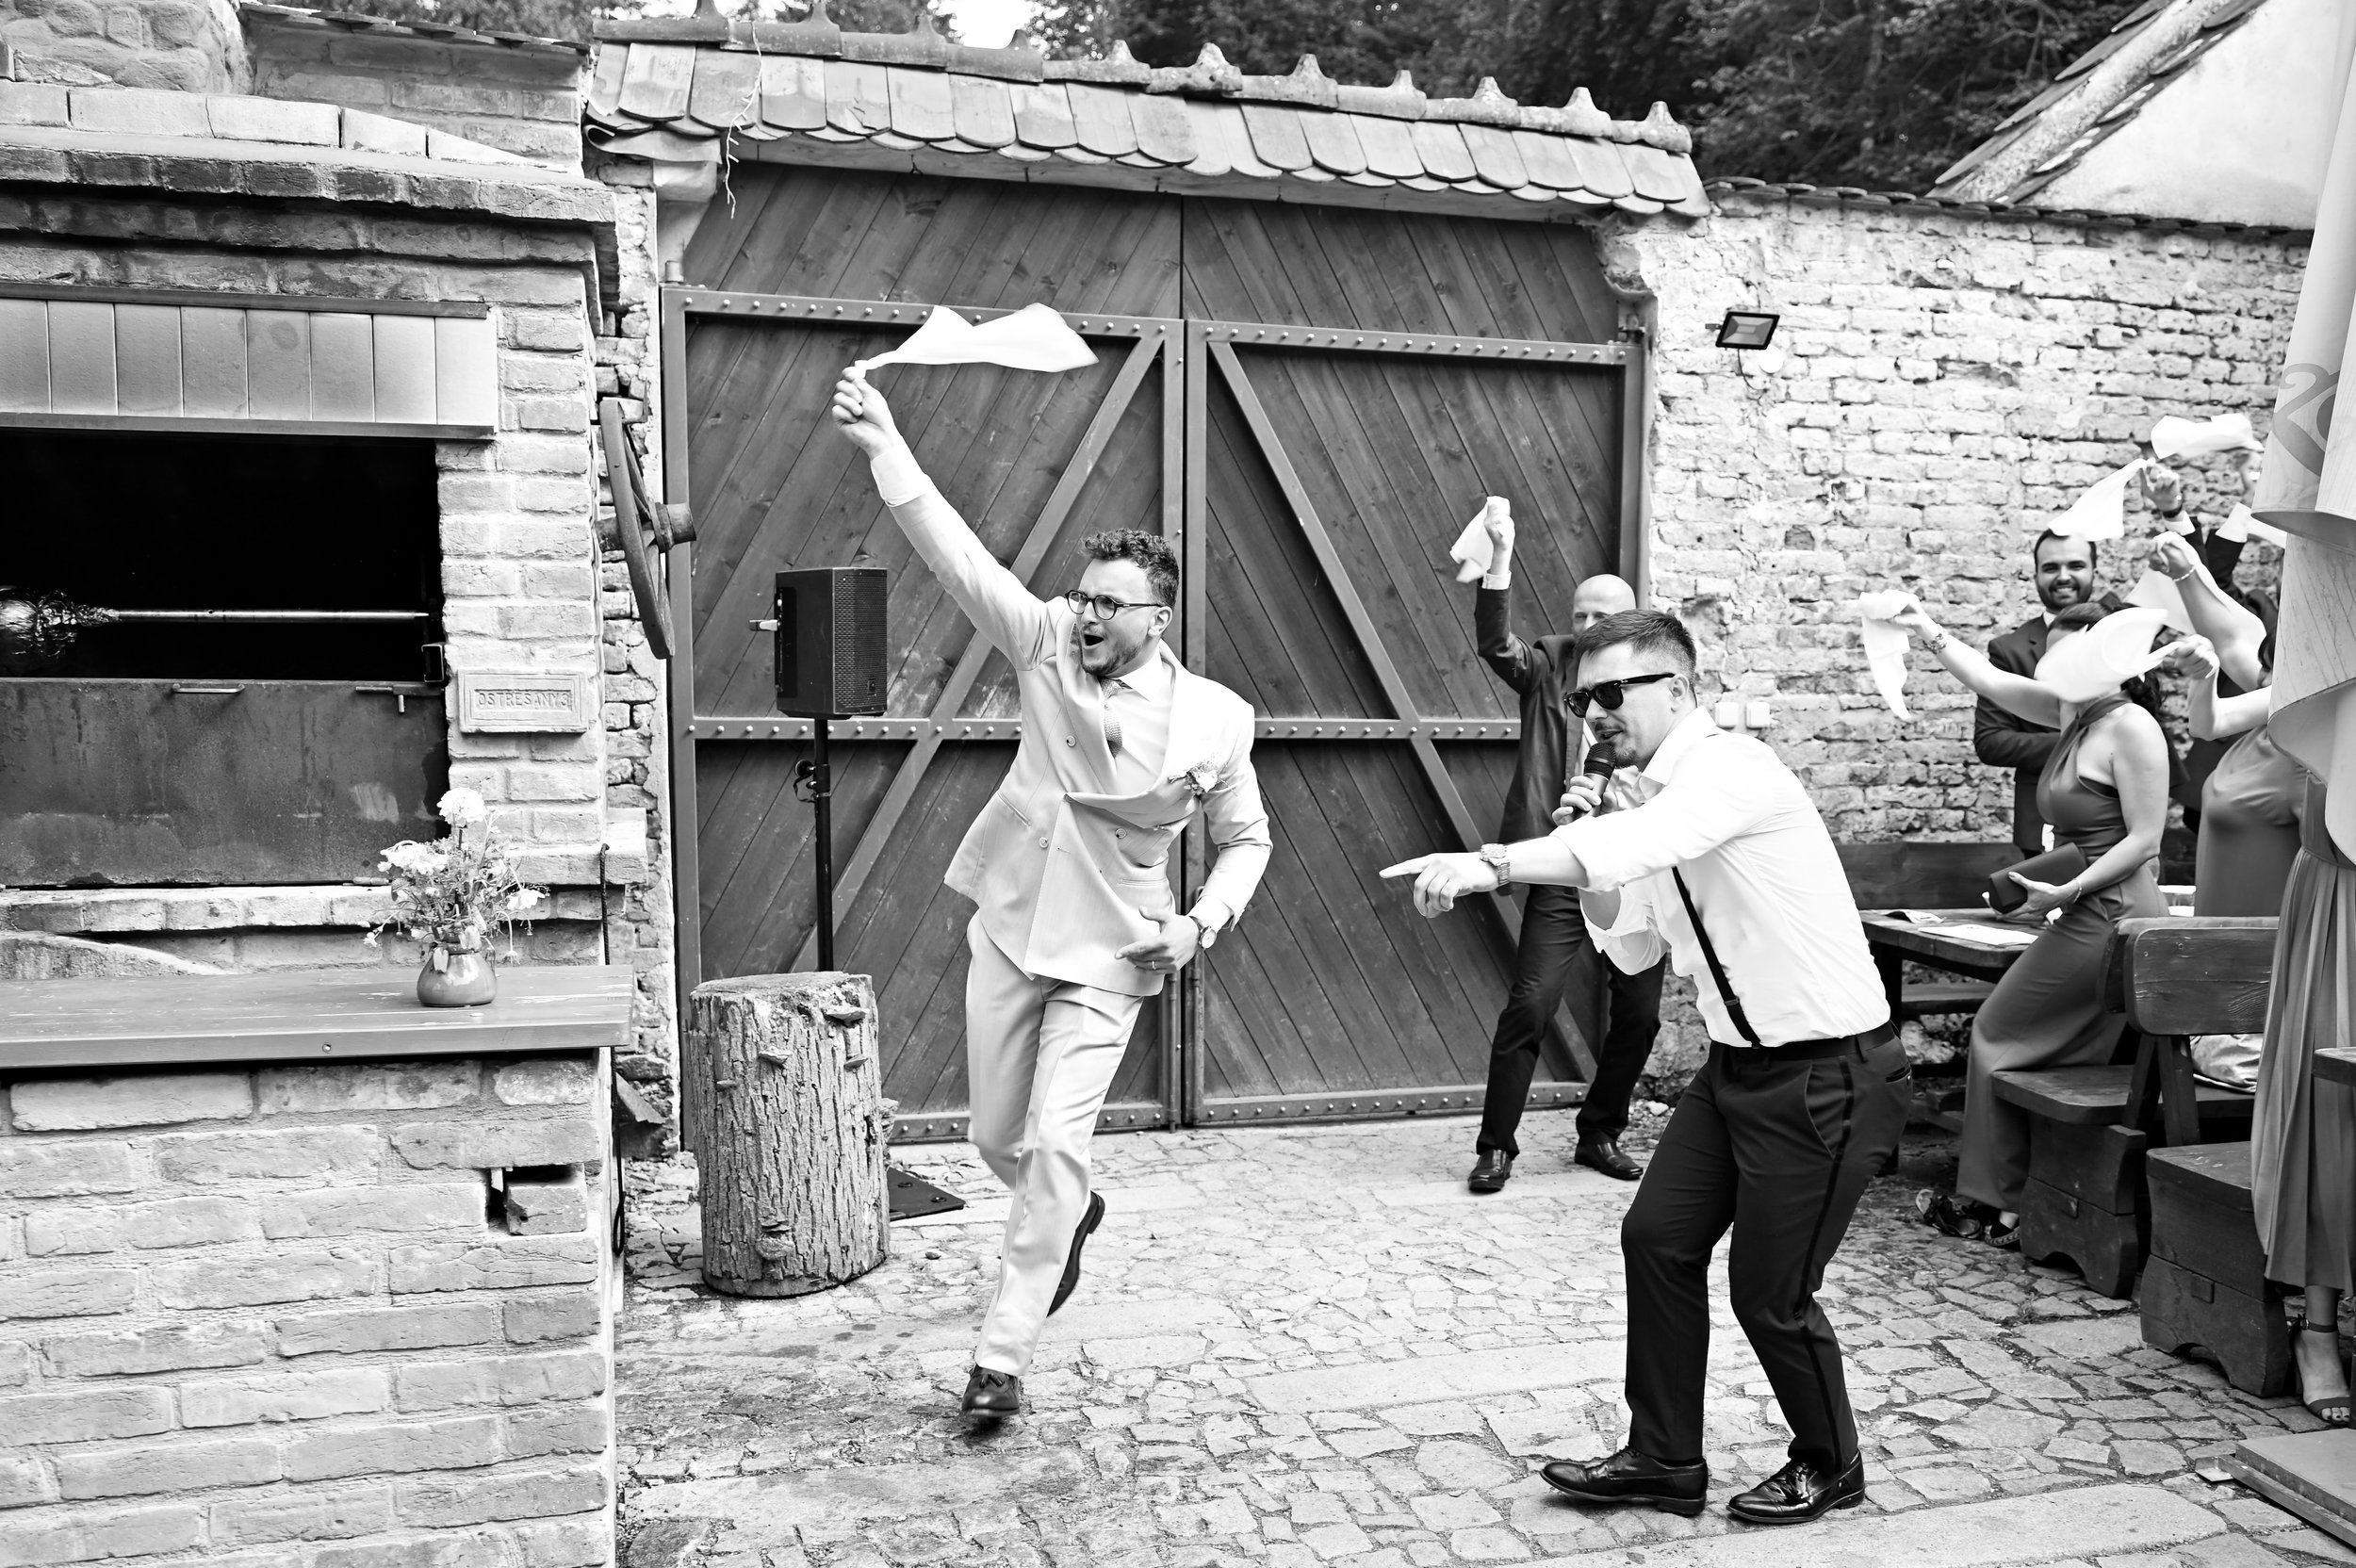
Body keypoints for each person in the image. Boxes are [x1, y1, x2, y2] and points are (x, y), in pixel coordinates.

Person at [1383, 610, 1907, 1527]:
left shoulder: (1730, 769)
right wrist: (1585, 855)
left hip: (1827, 1074)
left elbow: (1635, 848)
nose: (1594, 713)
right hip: (1734, 1069)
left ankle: (1831, 1461)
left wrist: (1495, 861)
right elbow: (1627, 950)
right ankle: (1664, 1457)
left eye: (1611, 692)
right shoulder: (1651, 803)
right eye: (1583, 697)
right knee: (1657, 1236)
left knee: (1769, 1292)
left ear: (1677, 686)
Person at [832, 369, 1271, 1418]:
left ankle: (1000, 1358)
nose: (1083, 613)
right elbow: (958, 558)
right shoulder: (1041, 646)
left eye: (1107, 603)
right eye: (1081, 596)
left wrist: (1198, 921)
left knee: (1059, 1141)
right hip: (1011, 927)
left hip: (1114, 953)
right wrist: (886, 443)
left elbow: (1248, 838)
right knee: (996, 1138)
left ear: (1155, 618)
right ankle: (1067, 1209)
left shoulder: (1217, 717)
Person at [1894, 600, 2171, 1249]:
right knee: (2031, 1042)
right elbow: (1992, 682)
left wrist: (2066, 889)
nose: (2056, 667)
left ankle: (1996, 1205)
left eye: (2069, 656)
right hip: (2082, 905)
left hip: (2114, 913)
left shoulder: (2131, 726)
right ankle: (2024, 1197)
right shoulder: (2074, 711)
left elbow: (2147, 840)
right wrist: (1926, 627)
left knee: (1997, 1031)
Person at [2157, 536, 2351, 1425]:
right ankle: (2317, 1327)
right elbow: (2218, 710)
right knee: (2327, 1109)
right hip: (2336, 910)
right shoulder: (2320, 687)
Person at [1466, 505, 1663, 1190]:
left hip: (1632, 873)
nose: (1587, 627)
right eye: (1579, 615)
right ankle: (1496, 1147)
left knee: (1639, 1016)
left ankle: (1600, 1133)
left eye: (1602, 615)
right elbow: (1496, 644)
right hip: (1560, 862)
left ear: (1633, 620)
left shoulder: (1659, 686)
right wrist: (1501, 555)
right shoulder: (1550, 666)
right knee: (1531, 1003)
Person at [1974, 532, 2175, 857]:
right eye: (2051, 567)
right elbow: (1991, 741)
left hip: (2127, 810)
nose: (2064, 576)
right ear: (2036, 574)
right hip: (2045, 816)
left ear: (2094, 570)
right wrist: (2086, 743)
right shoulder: (2008, 649)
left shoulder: (2121, 629)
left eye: (2076, 565)